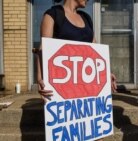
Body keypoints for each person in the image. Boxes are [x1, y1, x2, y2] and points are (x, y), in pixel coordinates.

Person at [35, 0, 116, 140]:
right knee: (69, 129)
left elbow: (94, 49)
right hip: (64, 83)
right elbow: (43, 49)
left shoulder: (86, 18)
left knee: (89, 128)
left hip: (87, 82)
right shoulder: (53, 14)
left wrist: (106, 73)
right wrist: (40, 78)